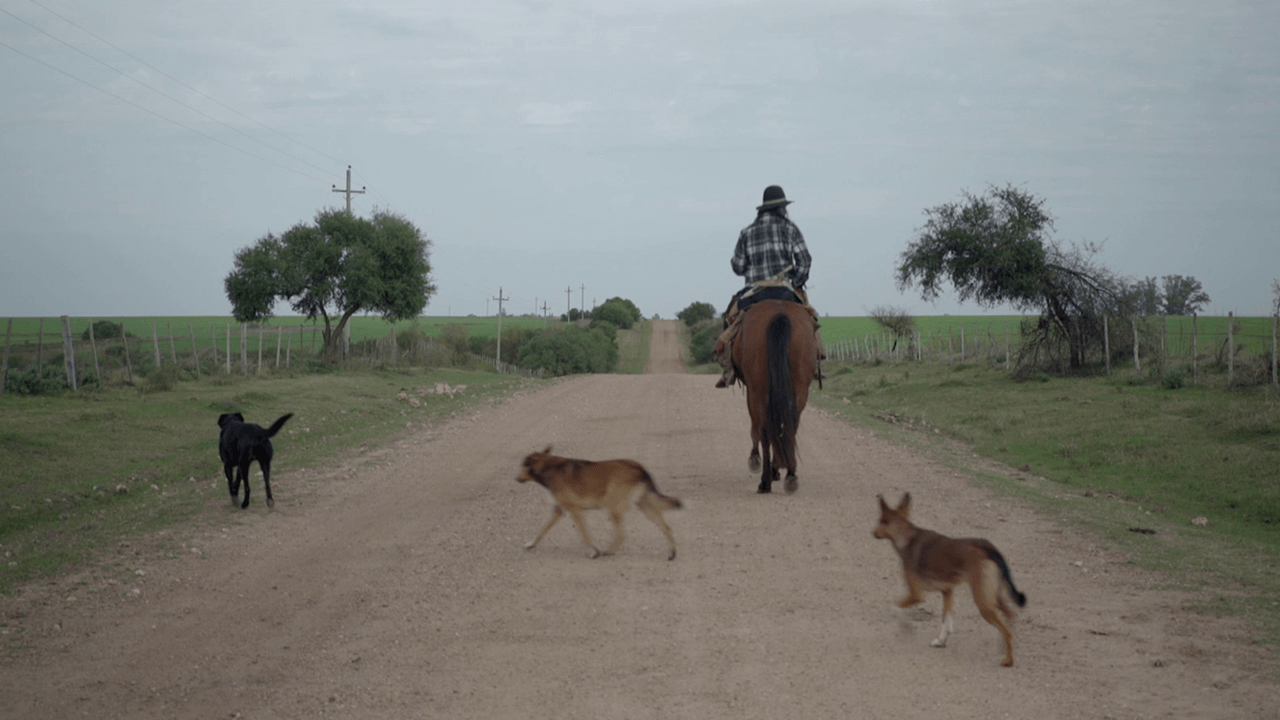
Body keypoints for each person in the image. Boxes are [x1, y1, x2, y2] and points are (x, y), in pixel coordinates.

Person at [713, 185, 824, 388]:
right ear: (782, 208)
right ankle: (815, 364)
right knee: (811, 320)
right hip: (785, 290)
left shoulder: (747, 232)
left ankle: (728, 369)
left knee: (730, 321)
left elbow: (737, 266)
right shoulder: (790, 228)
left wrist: (751, 267)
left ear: (763, 209)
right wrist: (798, 281)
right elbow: (805, 260)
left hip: (754, 293)